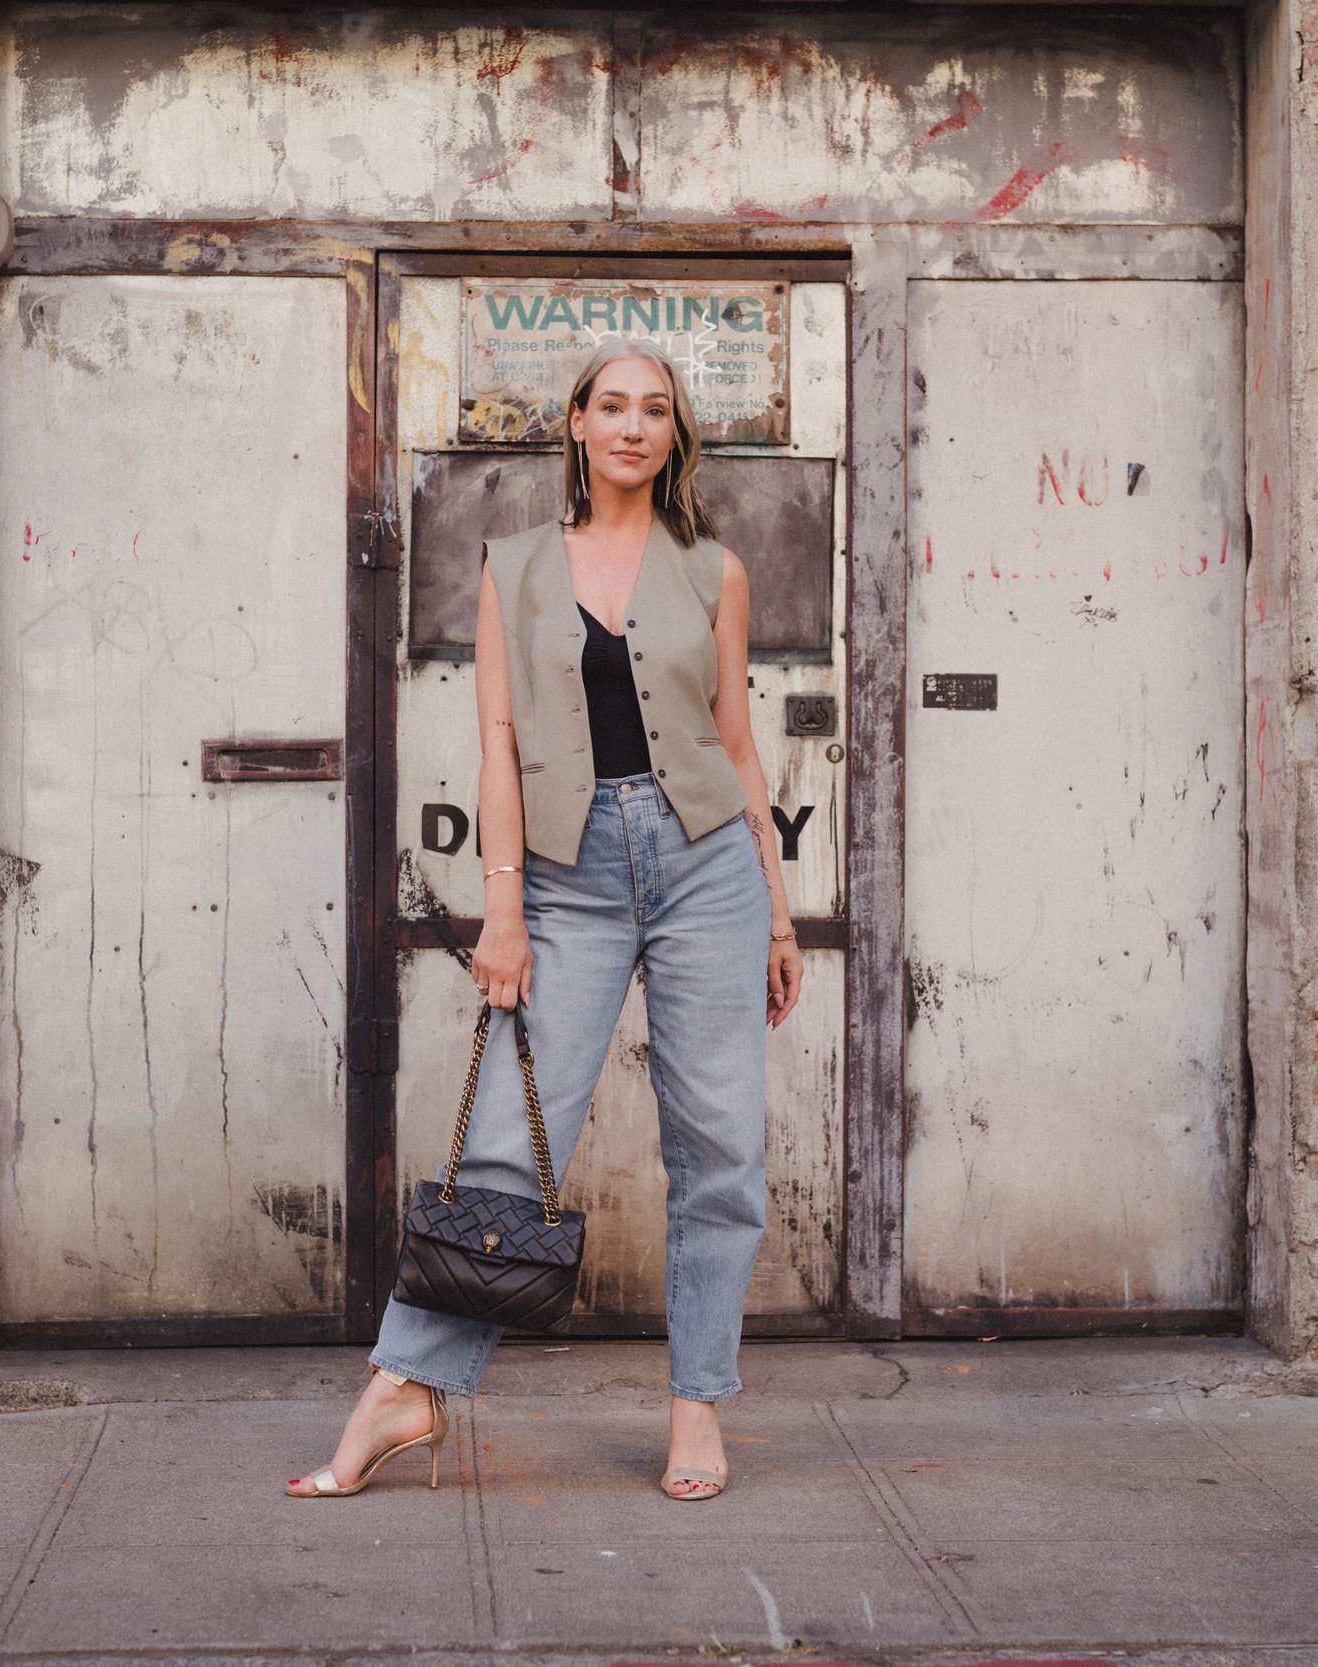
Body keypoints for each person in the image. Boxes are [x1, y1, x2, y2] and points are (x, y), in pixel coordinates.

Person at [284, 338, 803, 1502]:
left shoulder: (713, 568)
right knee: (509, 1146)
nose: (631, 425)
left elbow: (733, 745)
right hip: (567, 875)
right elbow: (499, 745)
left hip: (706, 865)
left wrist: (774, 909)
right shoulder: (513, 565)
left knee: (719, 1147)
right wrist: (502, 906)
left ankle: (696, 1405)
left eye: (654, 410)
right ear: (573, 422)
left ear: (674, 435)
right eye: (610, 405)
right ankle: (406, 1388)